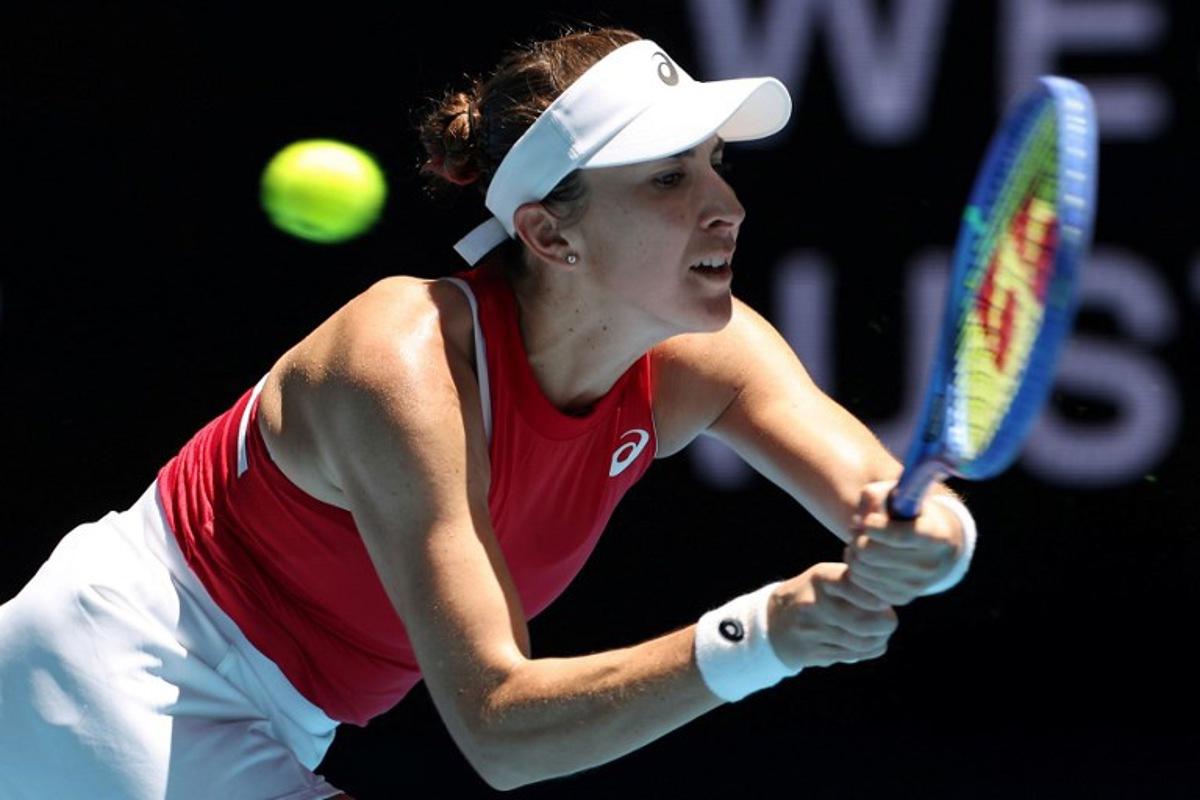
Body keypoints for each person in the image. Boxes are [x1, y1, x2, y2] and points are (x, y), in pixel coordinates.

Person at [0, 24, 977, 798]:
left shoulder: (705, 353)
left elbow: (898, 504)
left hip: (283, 714)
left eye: (719, 163)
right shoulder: (399, 359)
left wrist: (932, 538)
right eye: (670, 177)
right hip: (120, 673)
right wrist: (762, 635)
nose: (726, 204)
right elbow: (501, 727)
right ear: (551, 234)